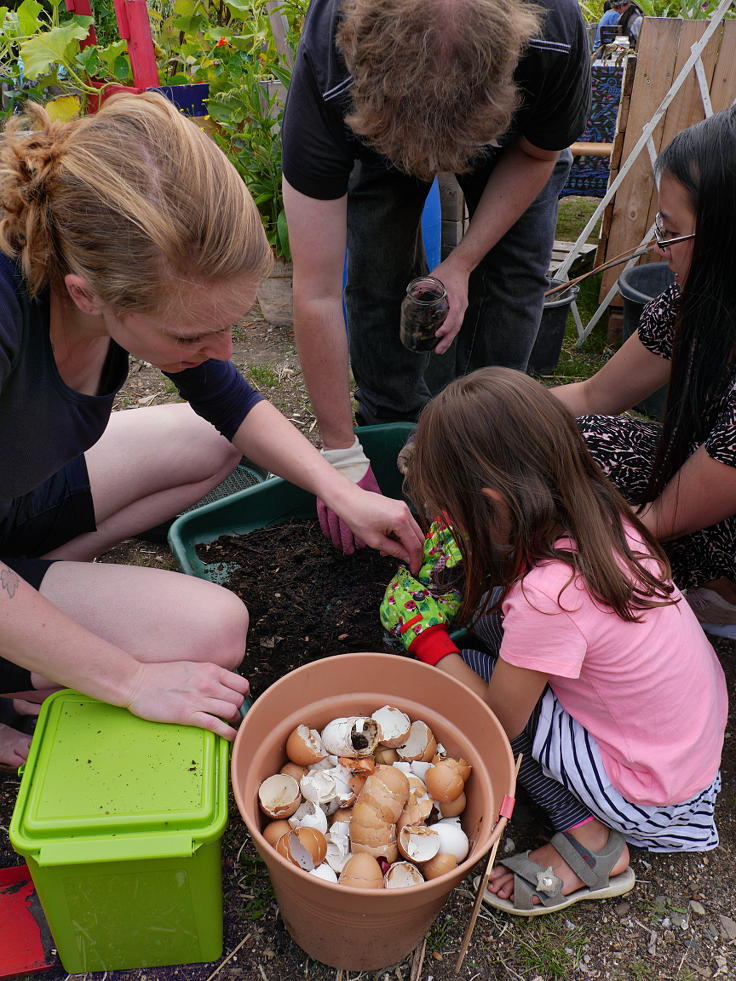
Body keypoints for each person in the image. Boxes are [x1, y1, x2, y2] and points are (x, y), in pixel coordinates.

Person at [0, 93, 423, 768]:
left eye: (231, 323)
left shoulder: (100, 257)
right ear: (86, 295)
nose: (222, 352)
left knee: (214, 439)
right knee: (216, 629)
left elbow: (224, 398)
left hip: (12, 499)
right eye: (193, 333)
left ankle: (41, 593)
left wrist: (341, 485)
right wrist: (132, 679)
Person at [382, 367, 727, 915]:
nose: (445, 524)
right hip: (684, 741)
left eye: (454, 514)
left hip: (651, 787)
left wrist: (425, 637)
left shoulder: (550, 595)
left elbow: (499, 719)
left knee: (470, 671)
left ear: (494, 506)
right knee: (496, 622)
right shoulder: (602, 514)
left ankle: (590, 840)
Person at [281, 0, 591, 553]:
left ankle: (492, 444)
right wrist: (340, 458)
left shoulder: (555, 35)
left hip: (512, 145)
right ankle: (389, 428)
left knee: (514, 280)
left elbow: (538, 155)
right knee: (376, 278)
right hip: (375, 130)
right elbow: (316, 290)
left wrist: (463, 263)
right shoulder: (331, 67)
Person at [551, 106, 736, 638]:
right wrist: (487, 420)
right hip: (701, 488)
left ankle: (720, 593)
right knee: (568, 441)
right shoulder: (694, 300)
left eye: (672, 231)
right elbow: (592, 396)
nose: (659, 244)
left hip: (714, 517)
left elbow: (657, 518)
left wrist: (563, 558)